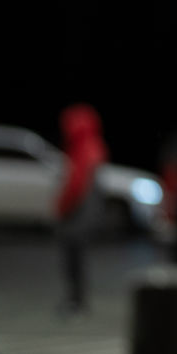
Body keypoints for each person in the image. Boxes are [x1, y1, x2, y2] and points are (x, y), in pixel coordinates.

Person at [56, 103, 108, 316]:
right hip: (86, 214)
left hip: (77, 215)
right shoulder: (94, 146)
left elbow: (75, 185)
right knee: (78, 258)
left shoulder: (82, 148)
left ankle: (76, 301)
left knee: (73, 259)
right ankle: (78, 300)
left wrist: (62, 207)